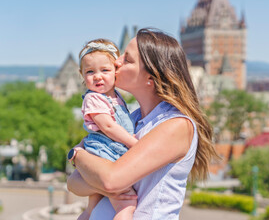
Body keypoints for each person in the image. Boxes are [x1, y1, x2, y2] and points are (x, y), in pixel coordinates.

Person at [67, 28, 219, 220]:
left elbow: (110, 181)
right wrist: (93, 172)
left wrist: (77, 155)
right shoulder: (133, 119)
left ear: (151, 77)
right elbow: (74, 184)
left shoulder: (176, 125)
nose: (116, 62)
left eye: (127, 59)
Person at [73, 38, 138, 220]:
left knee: (91, 208)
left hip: (105, 153)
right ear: (82, 75)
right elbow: (108, 127)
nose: (98, 76)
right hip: (106, 154)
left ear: (116, 71)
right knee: (127, 205)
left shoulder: (115, 97)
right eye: (90, 72)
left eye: (105, 70)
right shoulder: (94, 98)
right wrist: (134, 143)